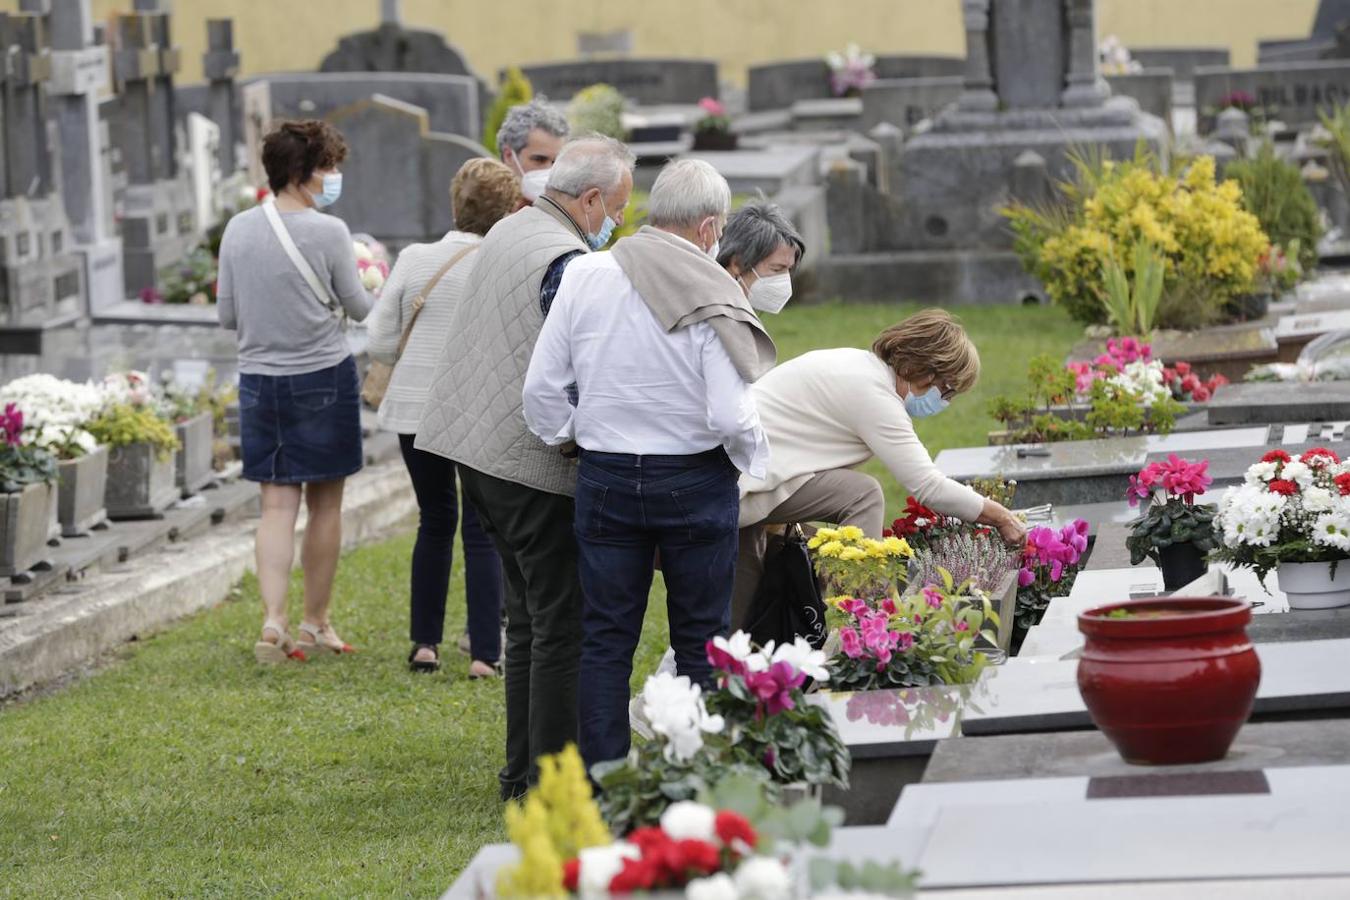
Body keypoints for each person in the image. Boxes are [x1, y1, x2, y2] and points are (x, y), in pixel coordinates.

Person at [524, 159, 777, 769]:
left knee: (606, 640)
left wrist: (575, 435)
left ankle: (604, 778)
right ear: (710, 227)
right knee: (698, 639)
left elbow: (540, 389)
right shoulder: (711, 286)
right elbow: (729, 414)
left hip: (606, 474)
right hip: (694, 477)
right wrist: (754, 464)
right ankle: (692, 772)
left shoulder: (585, 273)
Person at [416, 135, 635, 799]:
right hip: (526, 461)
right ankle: (548, 780)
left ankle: (521, 772)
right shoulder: (564, 258)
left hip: (472, 448)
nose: (617, 223)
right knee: (560, 624)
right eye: (617, 209)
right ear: (591, 198)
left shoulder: (513, 228)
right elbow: (571, 366)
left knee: (529, 619)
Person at [732, 309, 1028, 629]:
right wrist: (1002, 517)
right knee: (864, 496)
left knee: (743, 597)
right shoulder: (875, 395)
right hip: (748, 487)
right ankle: (863, 623)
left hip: (739, 478)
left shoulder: (859, 367)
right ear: (926, 372)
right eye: (948, 391)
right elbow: (929, 486)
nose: (946, 403)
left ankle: (727, 660)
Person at [216, 119, 373, 663]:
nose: (335, 177)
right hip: (322, 378)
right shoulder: (329, 232)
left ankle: (272, 620)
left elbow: (227, 314)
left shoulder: (237, 229)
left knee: (276, 507)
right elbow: (360, 308)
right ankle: (313, 623)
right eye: (329, 167)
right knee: (325, 507)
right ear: (303, 172)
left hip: (260, 382)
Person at [366, 159, 522, 678]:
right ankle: (484, 652)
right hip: (478, 405)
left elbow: (380, 340)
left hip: (415, 406)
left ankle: (425, 644)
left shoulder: (415, 258)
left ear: (456, 203)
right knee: (482, 529)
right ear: (506, 210)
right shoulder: (505, 262)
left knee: (433, 520)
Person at [716, 200, 805, 316]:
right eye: (777, 269)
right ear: (737, 264)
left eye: (789, 269)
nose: (785, 280)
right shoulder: (708, 326)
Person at [496, 98, 570, 202]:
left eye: (556, 162)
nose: (550, 170)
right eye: (539, 160)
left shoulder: (574, 214)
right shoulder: (483, 209)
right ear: (508, 156)